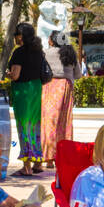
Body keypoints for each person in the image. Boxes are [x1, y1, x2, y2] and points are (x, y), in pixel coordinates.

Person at [7, 22, 45, 176]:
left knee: (24, 125)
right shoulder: (38, 51)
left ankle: (27, 166)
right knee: (35, 125)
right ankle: (38, 163)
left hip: (23, 90)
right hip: (36, 88)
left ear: (21, 36)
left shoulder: (19, 52)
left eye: (16, 34)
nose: (15, 37)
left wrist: (7, 74)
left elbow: (15, 75)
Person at [41, 30, 77, 167]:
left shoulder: (46, 53)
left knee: (49, 122)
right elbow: (78, 74)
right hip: (66, 88)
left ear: (52, 41)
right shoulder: (70, 53)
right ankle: (63, 156)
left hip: (49, 86)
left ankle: (49, 158)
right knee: (64, 123)